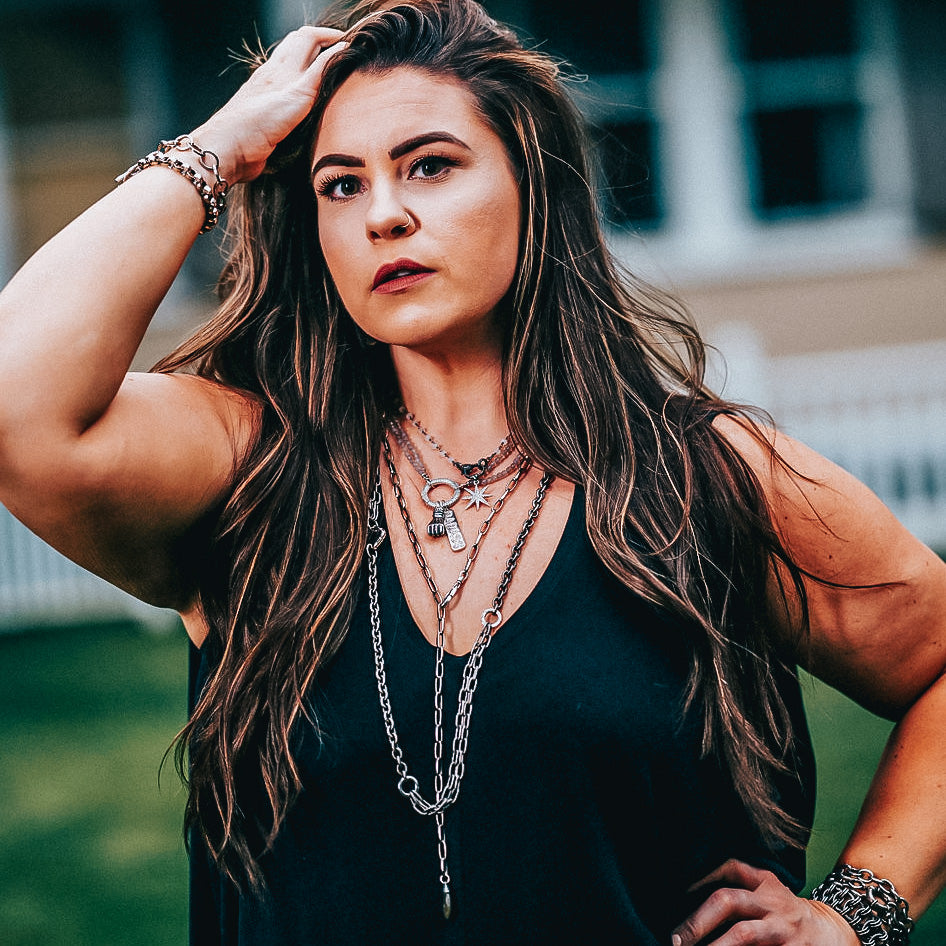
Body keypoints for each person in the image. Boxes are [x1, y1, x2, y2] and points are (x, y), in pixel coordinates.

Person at [0, 0, 943, 942]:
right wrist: (222, 145)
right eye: (340, 185)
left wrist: (855, 916)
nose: (386, 213)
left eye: (431, 165)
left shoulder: (708, 479)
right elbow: (17, 408)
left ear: (533, 184)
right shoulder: (250, 470)